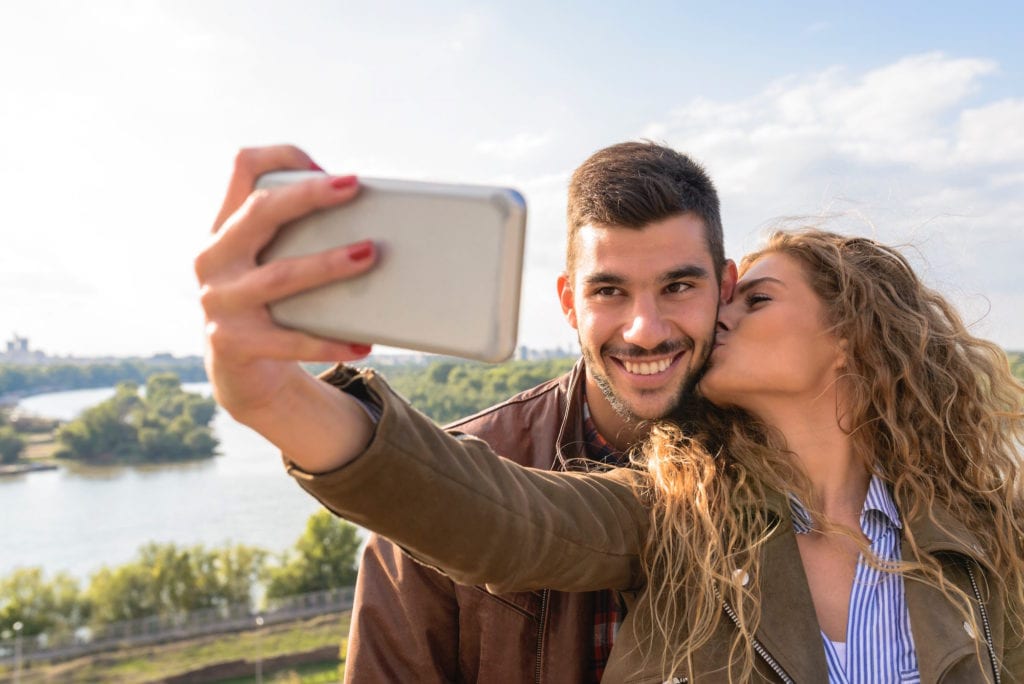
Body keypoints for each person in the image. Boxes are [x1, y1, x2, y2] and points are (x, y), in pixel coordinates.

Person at [200, 200, 1024, 678]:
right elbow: (493, 514)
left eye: (755, 299)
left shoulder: (985, 527)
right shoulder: (670, 512)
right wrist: (277, 398)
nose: (713, 315)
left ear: (851, 336)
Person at [196, 142, 737, 682]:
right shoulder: (434, 492)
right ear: (569, 303)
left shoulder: (782, 463)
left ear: (726, 289)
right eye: (609, 291)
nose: (644, 330)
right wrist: (275, 397)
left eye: (679, 286)